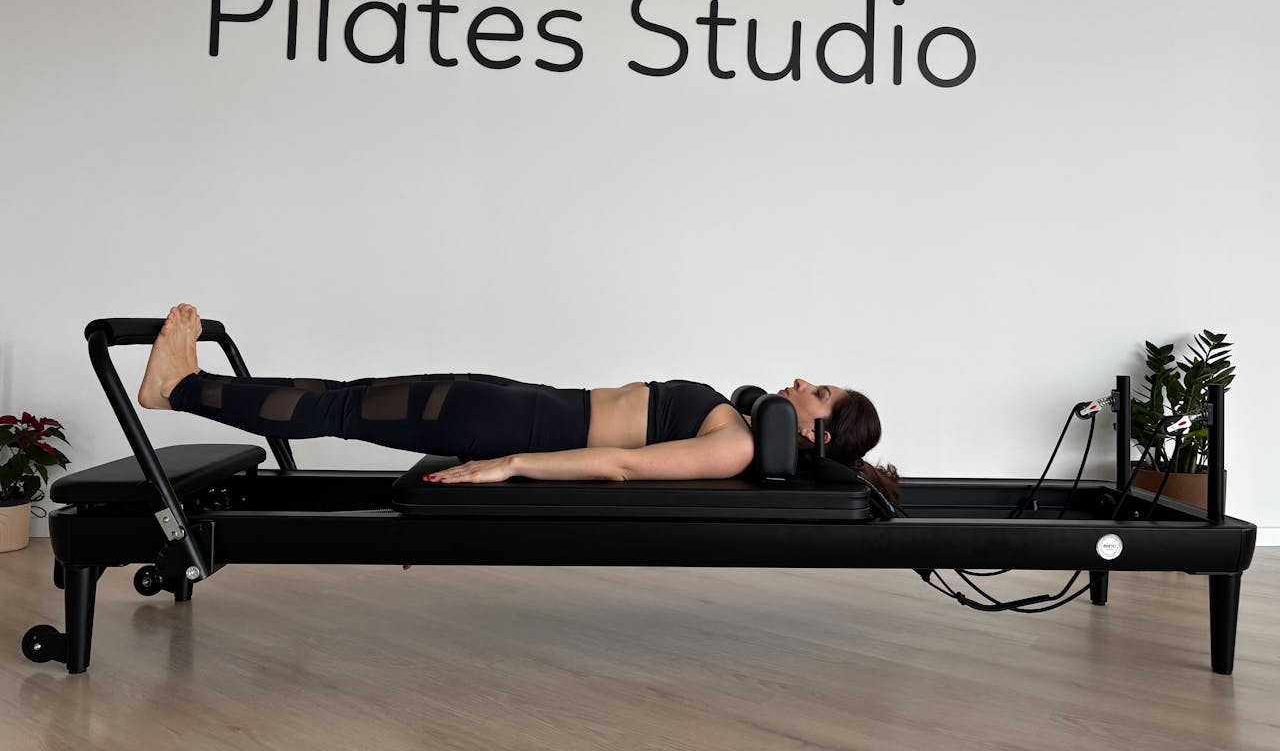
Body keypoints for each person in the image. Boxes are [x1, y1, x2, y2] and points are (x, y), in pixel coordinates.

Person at [139, 304, 899, 502]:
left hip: (508, 423)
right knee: (347, 399)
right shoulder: (736, 421)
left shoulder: (734, 443)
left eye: (818, 391)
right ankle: (190, 385)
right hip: (515, 401)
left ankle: (177, 388)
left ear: (817, 429)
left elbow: (623, 468)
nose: (802, 381)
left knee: (343, 410)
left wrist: (510, 466)